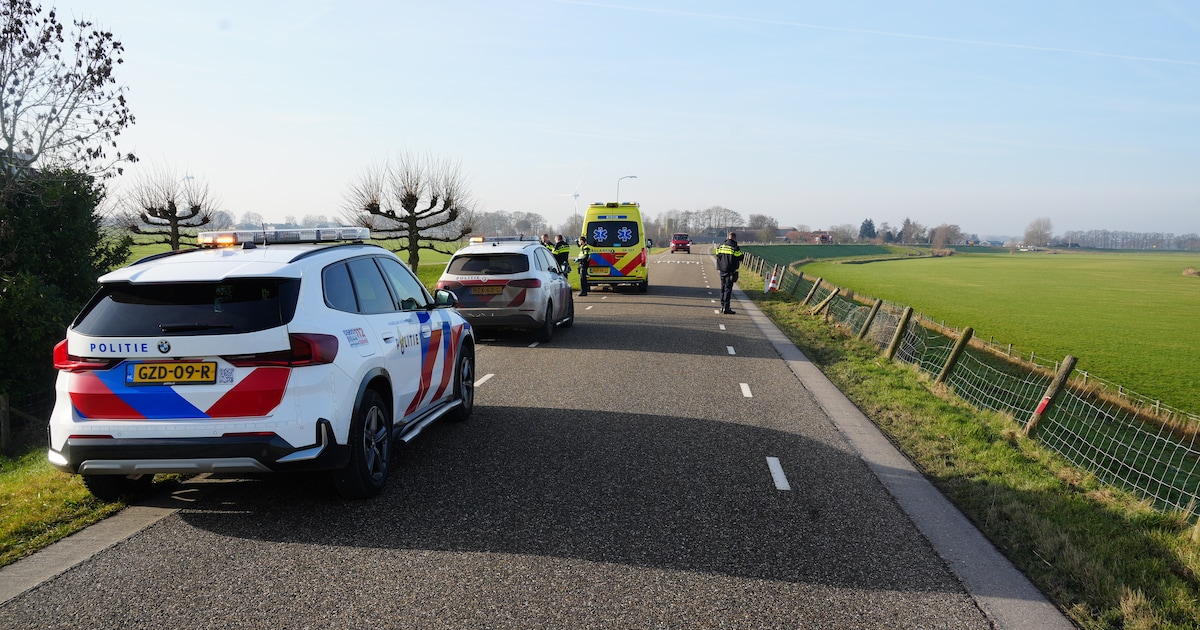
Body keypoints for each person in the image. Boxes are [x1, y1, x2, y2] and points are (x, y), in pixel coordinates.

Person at [714, 231, 743, 314]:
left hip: (722, 270)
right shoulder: (734, 246)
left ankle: (722, 306)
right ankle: (726, 307)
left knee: (722, 288)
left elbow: (717, 254)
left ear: (728, 237)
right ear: (734, 238)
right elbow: (740, 257)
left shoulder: (721, 245)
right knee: (728, 289)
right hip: (730, 270)